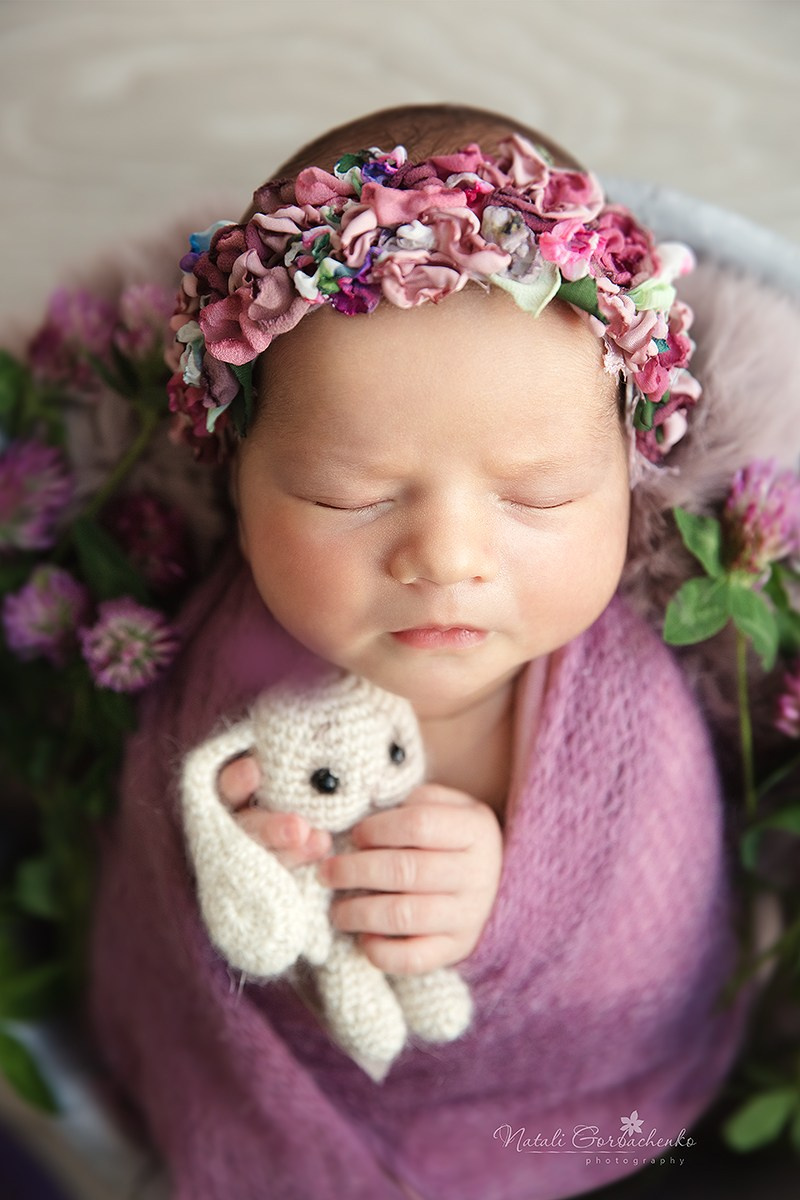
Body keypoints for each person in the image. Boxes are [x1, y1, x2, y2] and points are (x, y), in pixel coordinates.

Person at [88, 103, 755, 1200]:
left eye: (536, 496)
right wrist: (256, 876)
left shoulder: (628, 712)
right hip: (298, 1103)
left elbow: (652, 931)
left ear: (628, 483)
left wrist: (503, 908)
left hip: (562, 1121)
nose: (445, 559)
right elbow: (170, 928)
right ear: (235, 481)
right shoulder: (219, 680)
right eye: (346, 496)